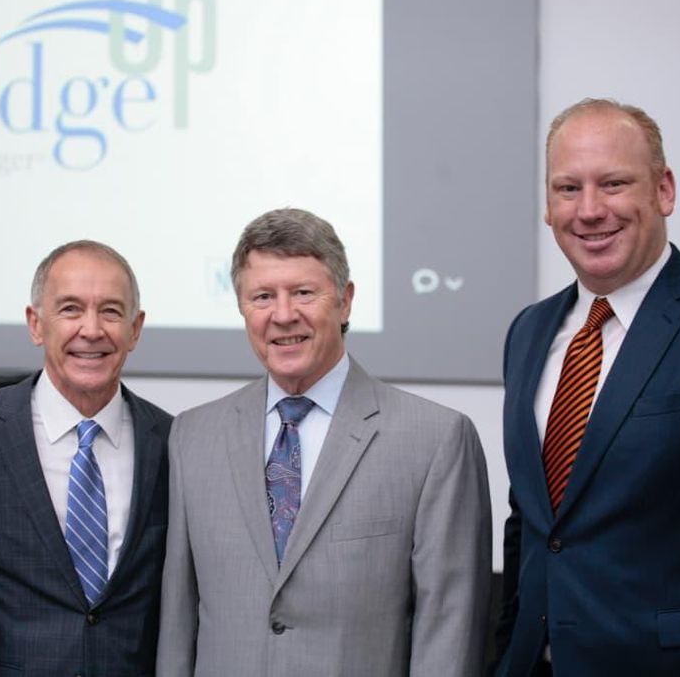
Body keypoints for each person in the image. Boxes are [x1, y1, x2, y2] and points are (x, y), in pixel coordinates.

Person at [157, 208, 492, 677]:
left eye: (304, 292)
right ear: (241, 307)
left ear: (346, 300)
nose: (283, 314)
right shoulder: (192, 437)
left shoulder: (436, 440)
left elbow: (448, 635)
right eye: (262, 296)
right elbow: (177, 628)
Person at [494, 98, 680, 676]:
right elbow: (529, 522)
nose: (589, 210)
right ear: (548, 207)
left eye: (613, 183)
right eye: (567, 188)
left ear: (664, 190)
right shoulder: (528, 332)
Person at [0, 240, 172, 677]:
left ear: (136, 329)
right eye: (70, 309)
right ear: (35, 323)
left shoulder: (174, 443)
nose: (92, 329)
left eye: (112, 311)